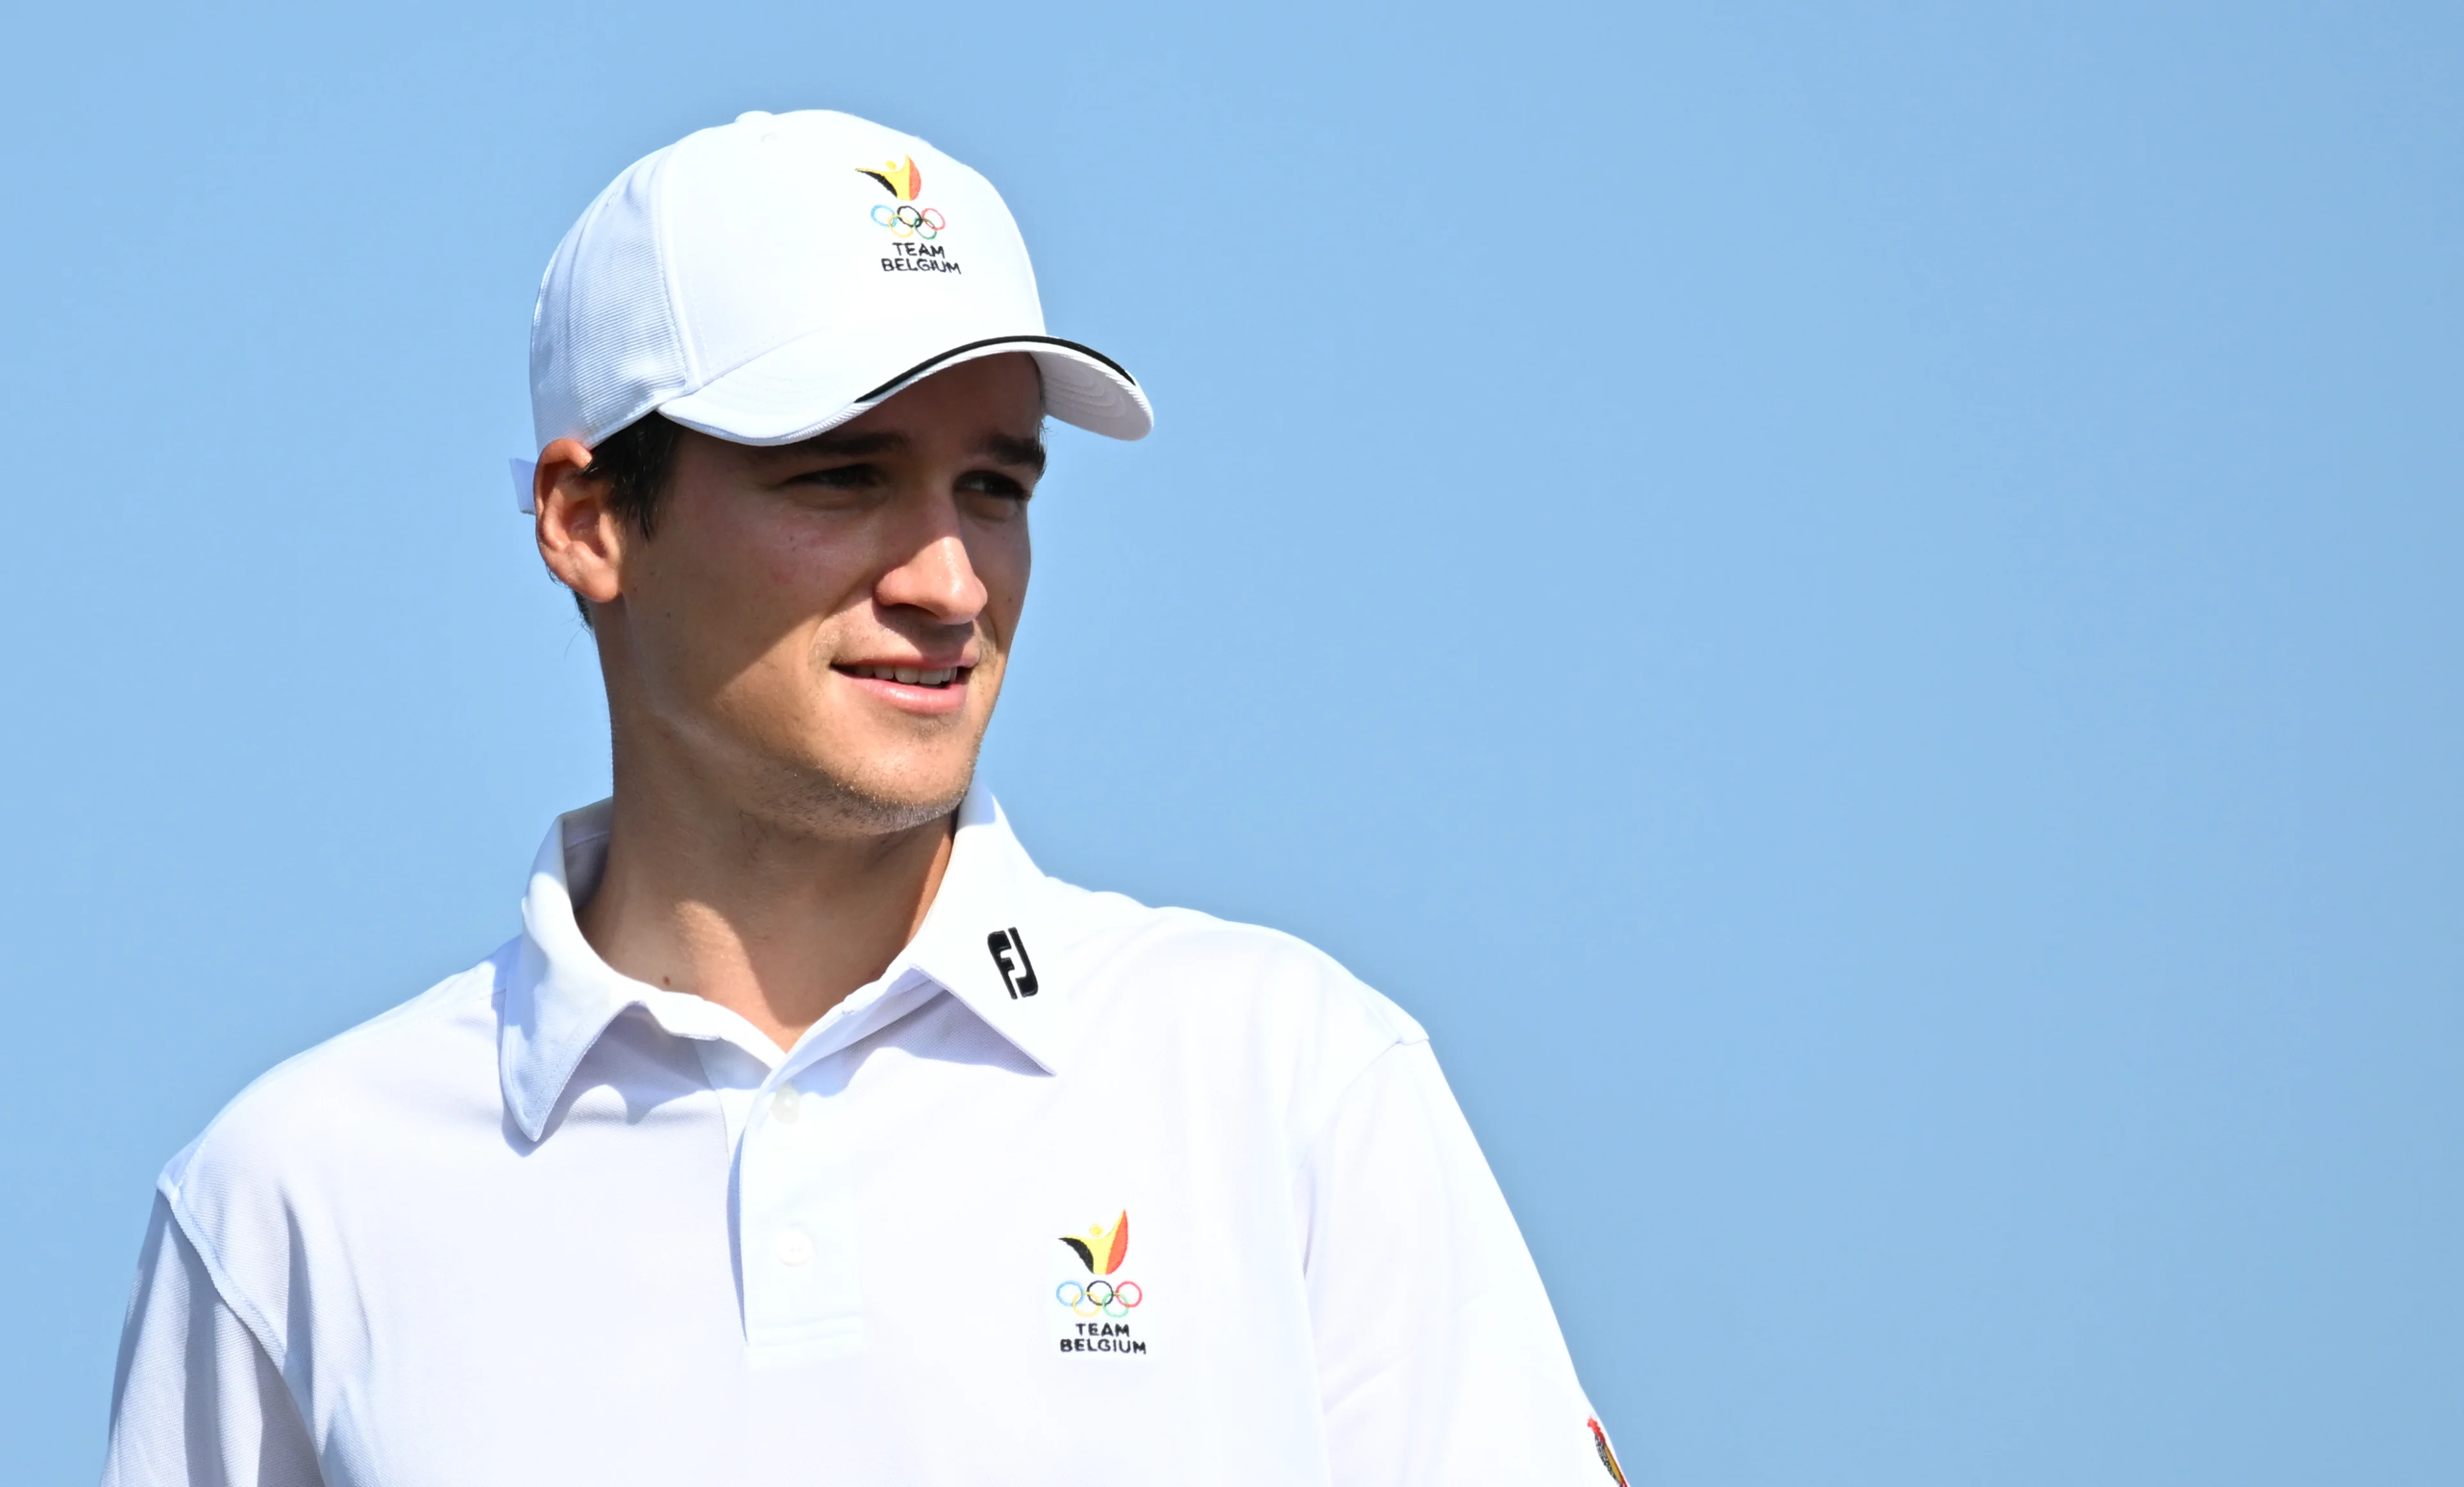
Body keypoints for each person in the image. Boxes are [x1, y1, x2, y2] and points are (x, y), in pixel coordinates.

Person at [101, 108, 1627, 1487]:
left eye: (997, 487)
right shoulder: (290, 1203)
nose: (951, 580)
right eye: (840, 478)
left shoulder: (1287, 1081)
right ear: (585, 522)